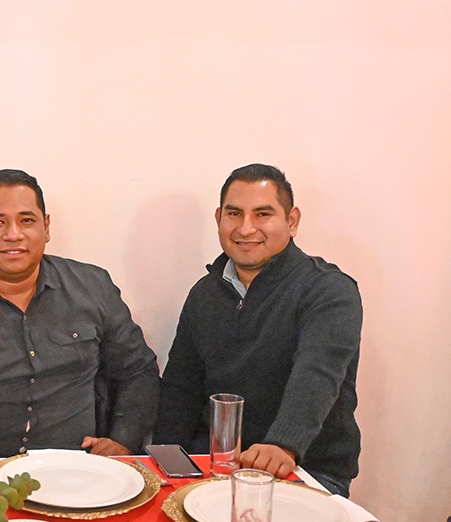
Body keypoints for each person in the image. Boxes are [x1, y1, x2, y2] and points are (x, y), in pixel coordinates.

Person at [0, 169, 160, 458]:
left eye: (27, 220)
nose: (13, 235)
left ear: (46, 227)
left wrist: (123, 440)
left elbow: (138, 370)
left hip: (82, 467)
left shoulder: (93, 287)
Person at [154, 163, 362, 496]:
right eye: (234, 214)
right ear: (219, 218)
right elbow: (181, 388)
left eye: (263, 214)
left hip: (304, 470)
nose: (246, 228)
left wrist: (283, 445)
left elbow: (317, 374)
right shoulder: (204, 294)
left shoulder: (329, 290)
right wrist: (165, 467)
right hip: (213, 468)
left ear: (292, 221)